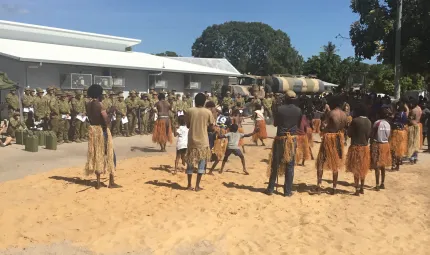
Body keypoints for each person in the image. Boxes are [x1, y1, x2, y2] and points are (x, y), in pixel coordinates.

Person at [266, 91, 302, 197]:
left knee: (275, 163)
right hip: (292, 139)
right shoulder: (298, 110)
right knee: (290, 165)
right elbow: (298, 125)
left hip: (280, 139)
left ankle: (270, 189)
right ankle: (287, 191)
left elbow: (275, 123)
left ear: (285, 99)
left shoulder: (280, 109)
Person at [84, 84, 119, 189]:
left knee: (97, 155)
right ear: (99, 94)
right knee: (110, 155)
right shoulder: (100, 105)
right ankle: (111, 182)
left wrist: (107, 112)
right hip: (102, 131)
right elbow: (106, 121)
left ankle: (98, 182)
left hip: (93, 131)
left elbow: (96, 116)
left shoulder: (88, 104)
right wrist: (112, 112)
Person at [315, 96, 348, 194]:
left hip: (329, 138)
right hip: (338, 139)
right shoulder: (345, 115)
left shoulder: (331, 113)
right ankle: (334, 187)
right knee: (335, 163)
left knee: (321, 161)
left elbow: (323, 126)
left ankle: (319, 185)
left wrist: (322, 128)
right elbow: (345, 128)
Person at [184, 93, 215, 191]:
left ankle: (189, 185)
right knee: (202, 162)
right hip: (203, 140)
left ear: (195, 101)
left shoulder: (189, 111)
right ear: (204, 101)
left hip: (192, 140)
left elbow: (188, 125)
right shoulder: (208, 112)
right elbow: (212, 127)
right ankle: (197, 186)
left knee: (190, 162)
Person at [346, 104, 372, 196]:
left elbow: (349, 134)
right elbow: (369, 135)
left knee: (356, 169)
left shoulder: (355, 121)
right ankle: (362, 187)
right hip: (365, 148)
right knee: (363, 168)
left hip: (355, 147)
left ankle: (356, 189)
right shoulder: (369, 122)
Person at [371, 106, 392, 191]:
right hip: (385, 145)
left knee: (377, 165)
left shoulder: (377, 123)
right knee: (383, 165)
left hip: (377, 144)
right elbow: (389, 137)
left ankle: (377, 184)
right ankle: (382, 183)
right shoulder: (388, 124)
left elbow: (373, 134)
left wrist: (371, 145)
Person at [390, 101, 408, 170]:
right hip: (400, 133)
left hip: (397, 133)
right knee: (398, 149)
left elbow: (400, 123)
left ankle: (395, 164)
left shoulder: (400, 114)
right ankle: (397, 164)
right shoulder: (402, 114)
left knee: (395, 149)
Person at [407, 98, 422, 164]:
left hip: (412, 127)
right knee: (416, 142)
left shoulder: (413, 110)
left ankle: (412, 158)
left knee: (412, 143)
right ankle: (415, 157)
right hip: (418, 125)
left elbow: (410, 119)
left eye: (411, 103)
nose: (410, 104)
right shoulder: (419, 109)